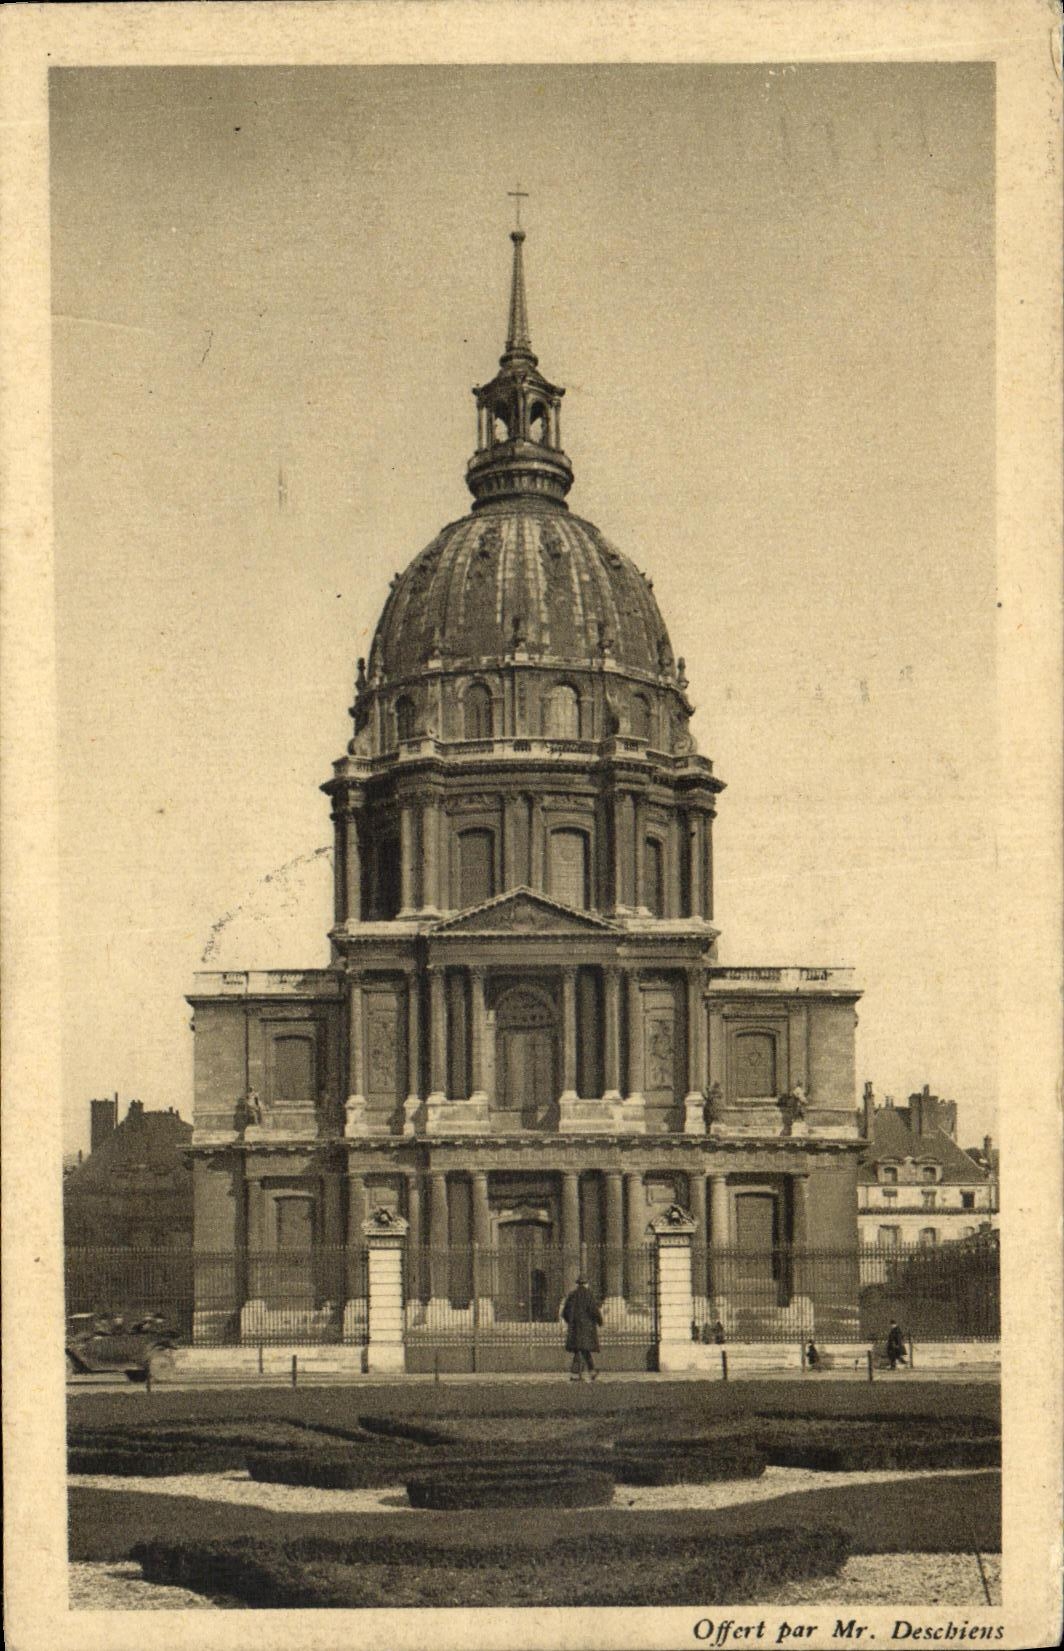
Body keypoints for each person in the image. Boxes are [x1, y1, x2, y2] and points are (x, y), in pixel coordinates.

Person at [561, 1274, 603, 1381]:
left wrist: (570, 1321)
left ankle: (591, 1372)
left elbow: (565, 1312)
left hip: (575, 1328)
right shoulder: (589, 1295)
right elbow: (594, 1310)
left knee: (582, 1350)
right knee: (582, 1350)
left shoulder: (572, 1295)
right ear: (586, 1284)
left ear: (578, 1284)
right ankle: (575, 1374)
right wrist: (600, 1321)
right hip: (587, 1329)